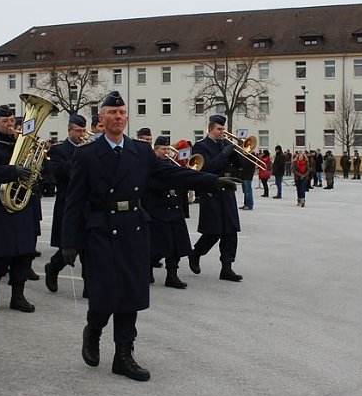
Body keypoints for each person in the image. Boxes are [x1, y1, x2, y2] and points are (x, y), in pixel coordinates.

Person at [62, 92, 235, 381]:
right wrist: (70, 241)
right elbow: (74, 200)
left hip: (133, 227)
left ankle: (123, 355)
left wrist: (212, 181)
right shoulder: (86, 154)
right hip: (100, 229)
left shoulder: (139, 152)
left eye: (122, 112)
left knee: (130, 293)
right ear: (101, 118)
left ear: (126, 117)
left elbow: (174, 175)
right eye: (112, 112)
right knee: (105, 293)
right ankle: (93, 329)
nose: (117, 117)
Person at [0, 105, 40, 312]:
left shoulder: (23, 143)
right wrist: (13, 171)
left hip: (22, 202)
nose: (10, 124)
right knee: (4, 252)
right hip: (0, 202)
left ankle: (18, 296)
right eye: (5, 121)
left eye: (12, 120)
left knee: (24, 252)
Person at [188, 114, 246, 282]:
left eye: (223, 129)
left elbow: (241, 165)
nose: (222, 132)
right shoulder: (200, 146)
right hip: (211, 189)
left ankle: (227, 267)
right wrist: (224, 153)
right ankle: (196, 253)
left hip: (227, 189)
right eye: (219, 129)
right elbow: (208, 167)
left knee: (231, 229)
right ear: (210, 129)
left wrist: (235, 151)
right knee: (213, 231)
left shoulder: (225, 144)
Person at [44, 114, 88, 294]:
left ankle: (89, 286)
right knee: (68, 247)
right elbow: (61, 173)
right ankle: (53, 268)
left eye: (83, 131)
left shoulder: (89, 148)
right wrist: (83, 158)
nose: (82, 134)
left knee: (88, 247)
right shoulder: (58, 150)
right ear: (69, 131)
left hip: (87, 204)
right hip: (68, 203)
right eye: (78, 131)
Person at [145, 136, 196, 289]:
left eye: (168, 149)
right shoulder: (150, 165)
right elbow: (152, 185)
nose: (166, 152)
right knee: (157, 244)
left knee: (176, 244)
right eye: (163, 149)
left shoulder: (172, 164)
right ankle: (147, 271)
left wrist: (184, 172)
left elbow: (183, 183)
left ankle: (172, 275)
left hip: (173, 206)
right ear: (155, 150)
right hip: (157, 207)